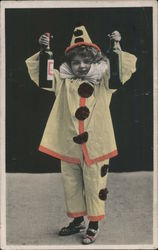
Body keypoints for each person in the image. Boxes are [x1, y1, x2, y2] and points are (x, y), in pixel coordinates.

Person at [25, 25, 137, 244]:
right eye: (76, 62)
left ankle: (93, 225)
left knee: (95, 184)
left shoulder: (104, 82)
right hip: (69, 145)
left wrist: (116, 45)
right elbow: (44, 78)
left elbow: (119, 70)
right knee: (71, 184)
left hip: (97, 145)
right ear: (69, 64)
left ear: (95, 62)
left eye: (86, 62)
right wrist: (43, 49)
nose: (82, 66)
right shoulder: (63, 82)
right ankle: (77, 220)